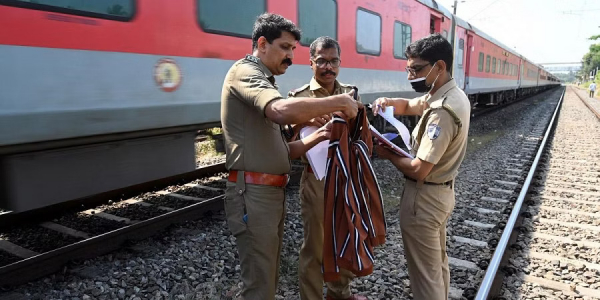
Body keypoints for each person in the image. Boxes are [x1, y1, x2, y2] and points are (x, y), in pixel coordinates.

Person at [220, 13, 360, 300]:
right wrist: (340, 102)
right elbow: (279, 111)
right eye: (285, 48)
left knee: (267, 278)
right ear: (262, 43)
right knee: (259, 286)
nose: (290, 56)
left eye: (293, 49)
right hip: (254, 193)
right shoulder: (246, 73)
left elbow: (283, 150)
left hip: (268, 193)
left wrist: (319, 136)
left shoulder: (266, 81)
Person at [371, 33, 471, 300]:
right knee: (436, 267)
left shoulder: (442, 110)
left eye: (416, 69)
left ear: (439, 66)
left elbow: (418, 169)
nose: (410, 76)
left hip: (424, 200)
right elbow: (411, 105)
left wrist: (386, 152)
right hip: (440, 194)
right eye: (408, 69)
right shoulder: (450, 94)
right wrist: (387, 102)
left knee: (425, 279)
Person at [287, 36, 368, 300]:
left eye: (333, 61)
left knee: (345, 237)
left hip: (347, 179)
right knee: (315, 247)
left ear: (340, 63)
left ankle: (339, 294)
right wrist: (305, 121)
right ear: (310, 63)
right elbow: (287, 146)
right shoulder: (299, 98)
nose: (327, 67)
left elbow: (361, 137)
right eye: (321, 61)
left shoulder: (351, 94)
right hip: (317, 181)